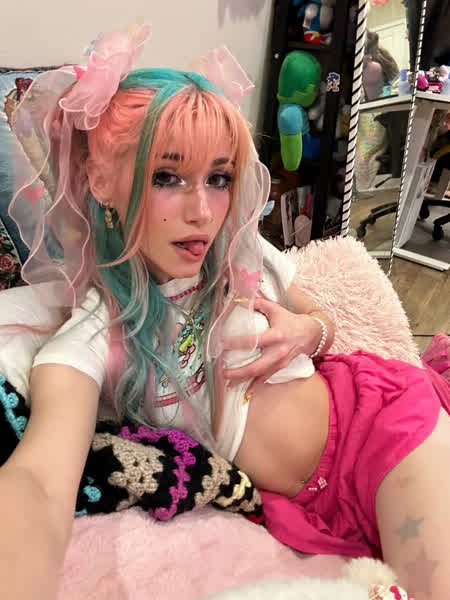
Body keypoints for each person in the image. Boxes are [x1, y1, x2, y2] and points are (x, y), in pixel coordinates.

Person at [0, 25, 449, 600]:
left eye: (218, 178)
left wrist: (309, 332)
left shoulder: (238, 250)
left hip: (378, 425)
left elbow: (320, 317)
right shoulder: (92, 338)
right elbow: (40, 481)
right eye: (167, 176)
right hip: (303, 509)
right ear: (101, 181)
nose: (204, 211)